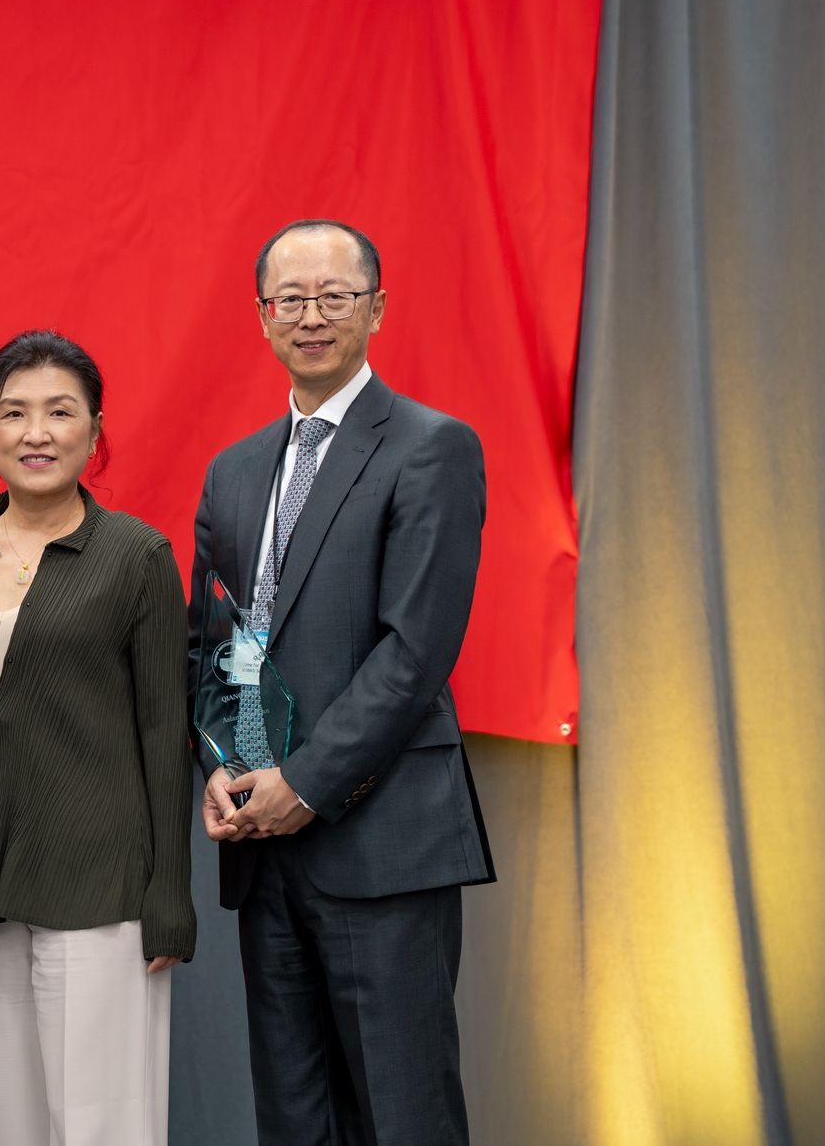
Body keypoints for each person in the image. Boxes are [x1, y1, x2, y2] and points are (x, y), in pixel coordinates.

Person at [192, 219, 494, 1145]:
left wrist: (307, 783)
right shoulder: (235, 471)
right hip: (265, 849)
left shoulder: (431, 447)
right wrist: (225, 766)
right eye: (291, 299)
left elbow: (414, 653)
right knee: (294, 1115)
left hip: (381, 839)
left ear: (377, 308)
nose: (312, 316)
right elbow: (219, 643)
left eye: (335, 296)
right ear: (262, 316)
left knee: (401, 1114)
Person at [0, 331, 195, 1146]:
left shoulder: (137, 556)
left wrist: (169, 897)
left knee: (101, 1126)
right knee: (21, 1125)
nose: (36, 432)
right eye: (14, 412)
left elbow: (164, 730)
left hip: (103, 889)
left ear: (95, 429)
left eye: (60, 412)